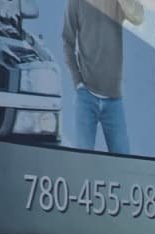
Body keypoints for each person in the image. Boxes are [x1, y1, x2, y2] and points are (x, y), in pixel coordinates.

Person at [62, 0, 144, 155]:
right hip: (86, 96)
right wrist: (77, 81)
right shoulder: (76, 3)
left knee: (124, 162)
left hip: (114, 99)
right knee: (83, 162)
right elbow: (67, 40)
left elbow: (138, 17)